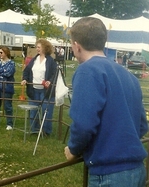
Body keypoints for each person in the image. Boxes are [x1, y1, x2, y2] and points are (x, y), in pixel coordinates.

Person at [64, 17, 148, 187]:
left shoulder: (87, 71)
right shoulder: (128, 75)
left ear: (77, 45)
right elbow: (142, 125)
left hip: (109, 173)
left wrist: (73, 149)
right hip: (137, 169)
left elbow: (84, 124)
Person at [21, 39, 57, 136]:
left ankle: (46, 131)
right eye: (36, 47)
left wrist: (50, 81)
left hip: (46, 91)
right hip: (33, 90)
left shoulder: (51, 61)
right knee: (33, 111)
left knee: (47, 111)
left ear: (45, 48)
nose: (37, 49)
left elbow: (54, 74)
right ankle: (34, 130)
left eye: (39, 47)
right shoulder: (34, 59)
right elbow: (27, 71)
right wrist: (25, 79)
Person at [0, 46, 15, 130]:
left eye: (1, 52)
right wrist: (3, 70)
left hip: (6, 87)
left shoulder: (11, 63)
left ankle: (9, 124)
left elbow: (9, 73)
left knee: (7, 106)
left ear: (6, 52)